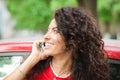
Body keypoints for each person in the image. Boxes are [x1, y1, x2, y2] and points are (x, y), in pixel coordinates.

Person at [4, 7, 110, 80]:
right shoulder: (34, 68)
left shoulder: (88, 75)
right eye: (48, 30)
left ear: (73, 37)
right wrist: (33, 58)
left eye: (55, 31)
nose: (46, 36)